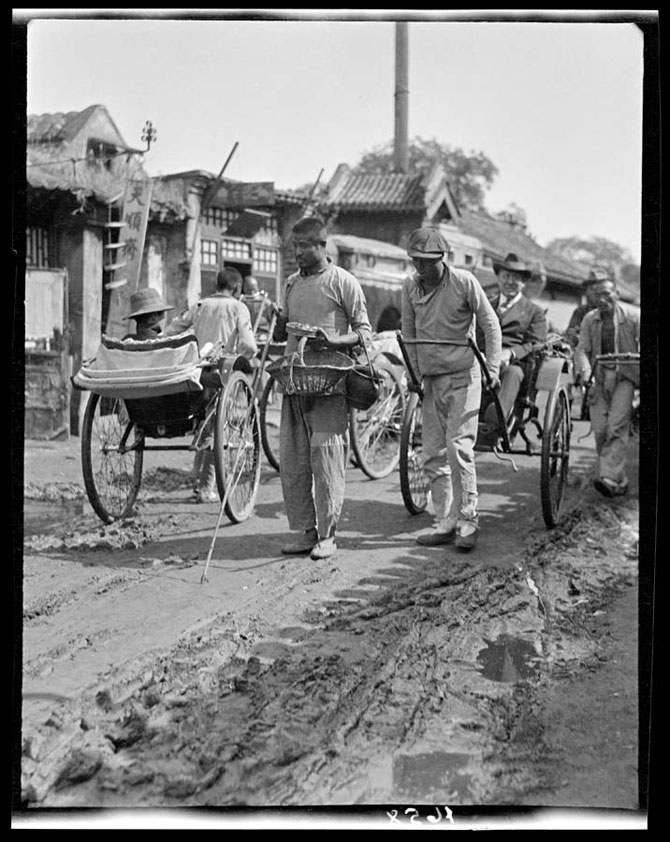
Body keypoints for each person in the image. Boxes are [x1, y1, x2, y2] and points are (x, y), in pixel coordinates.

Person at [272, 216, 372, 560]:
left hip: (330, 382)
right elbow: (281, 333)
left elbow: (364, 332)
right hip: (295, 379)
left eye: (303, 247)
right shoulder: (290, 285)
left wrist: (334, 339)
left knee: (326, 455)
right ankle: (307, 532)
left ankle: (328, 536)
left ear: (321, 246)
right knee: (295, 459)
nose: (296, 253)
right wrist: (278, 320)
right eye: (293, 247)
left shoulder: (343, 282)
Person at [402, 227, 502, 551]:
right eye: (416, 260)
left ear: (441, 259)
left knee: (458, 447)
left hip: (464, 375)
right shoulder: (410, 287)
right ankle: (445, 519)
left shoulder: (463, 283)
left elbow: (490, 324)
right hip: (431, 380)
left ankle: (468, 520)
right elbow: (408, 333)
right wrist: (414, 375)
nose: (421, 267)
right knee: (432, 452)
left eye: (427, 261)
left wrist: (494, 368)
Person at [165, 266, 258, 503]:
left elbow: (172, 330)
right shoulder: (238, 307)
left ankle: (199, 477)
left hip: (197, 373)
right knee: (215, 429)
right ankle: (206, 487)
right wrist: (243, 354)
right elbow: (249, 345)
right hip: (221, 375)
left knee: (204, 426)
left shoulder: (199, 305)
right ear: (237, 288)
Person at [574, 275, 639, 498]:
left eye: (606, 294)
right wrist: (585, 374)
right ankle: (618, 480)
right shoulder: (590, 319)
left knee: (617, 425)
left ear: (617, 294)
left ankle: (608, 476)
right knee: (600, 430)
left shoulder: (634, 316)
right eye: (597, 295)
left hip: (625, 376)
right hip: (598, 378)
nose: (602, 299)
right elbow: (582, 349)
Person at [481, 253, 547, 433]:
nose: (510, 282)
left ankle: (495, 420)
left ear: (523, 282)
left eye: (515, 278)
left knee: (513, 372)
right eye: (506, 276)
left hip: (515, 363)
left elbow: (536, 343)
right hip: (482, 359)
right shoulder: (484, 304)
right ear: (498, 278)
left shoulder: (534, 312)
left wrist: (510, 353)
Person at [565, 268, 609, 349]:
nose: (594, 293)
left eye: (599, 289)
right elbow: (571, 334)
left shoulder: (610, 313)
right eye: (591, 288)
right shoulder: (580, 312)